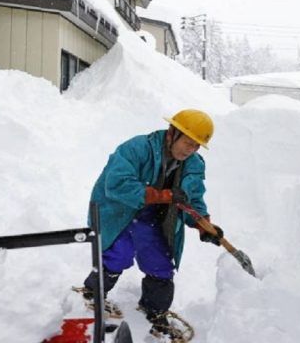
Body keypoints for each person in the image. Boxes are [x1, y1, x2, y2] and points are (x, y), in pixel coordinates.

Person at [79, 109, 224, 339]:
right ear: (172, 133)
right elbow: (116, 185)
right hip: (118, 212)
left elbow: (192, 199)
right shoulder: (137, 149)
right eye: (188, 142)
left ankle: (154, 311)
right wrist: (164, 196)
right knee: (119, 254)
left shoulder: (194, 164)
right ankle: (92, 294)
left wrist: (203, 224)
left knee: (160, 264)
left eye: (197, 145)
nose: (191, 150)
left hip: (151, 219)